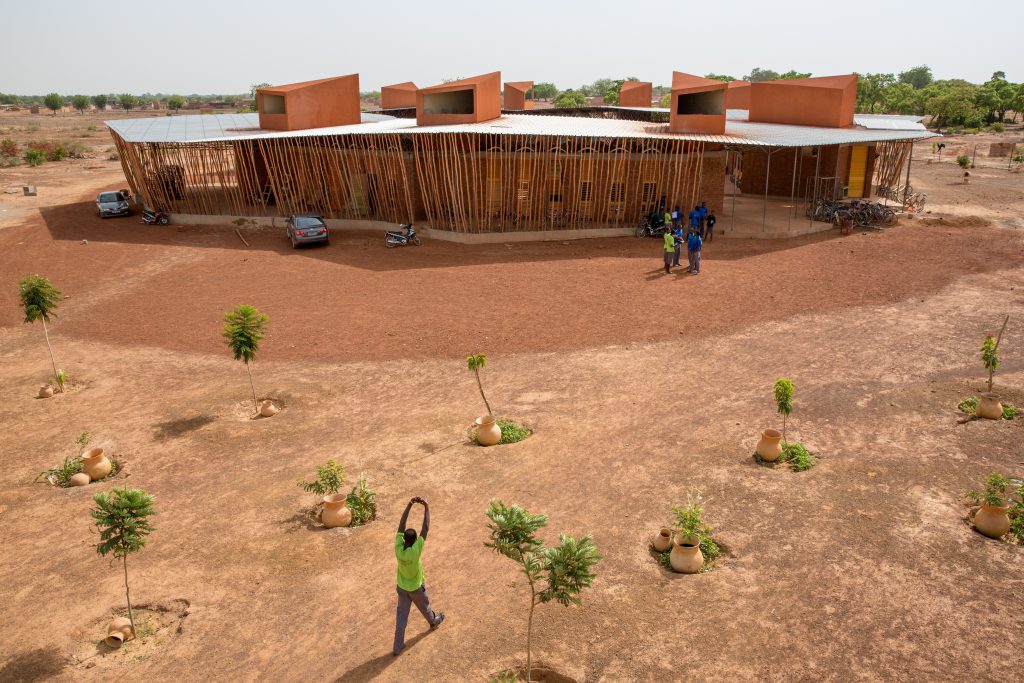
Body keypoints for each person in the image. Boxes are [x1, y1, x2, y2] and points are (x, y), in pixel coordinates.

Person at [393, 497, 444, 656]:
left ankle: (397, 646)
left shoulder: (398, 547)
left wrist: (409, 505)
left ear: (404, 540)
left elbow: (401, 525)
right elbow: (426, 528)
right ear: (415, 541)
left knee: (401, 617)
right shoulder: (416, 551)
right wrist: (426, 506)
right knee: (425, 607)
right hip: (415, 588)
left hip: (402, 588)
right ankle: (434, 621)